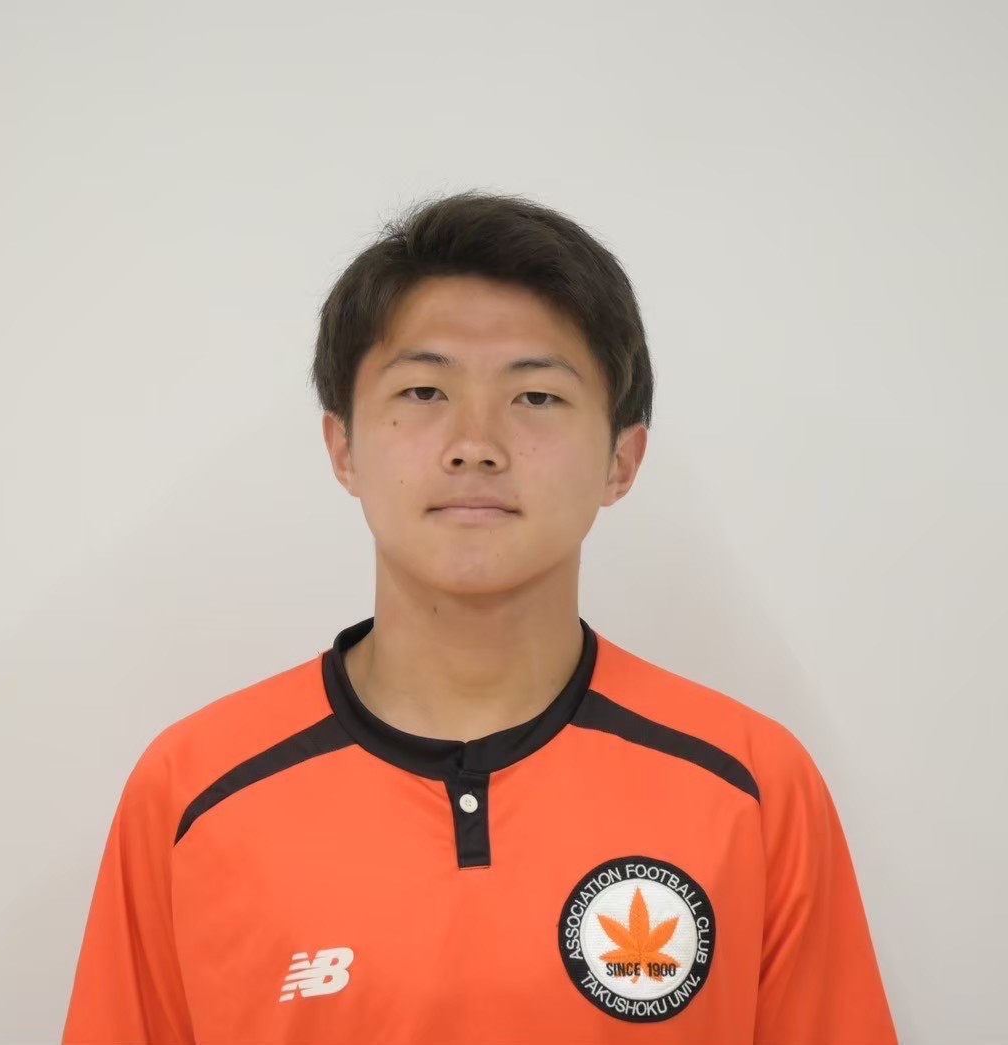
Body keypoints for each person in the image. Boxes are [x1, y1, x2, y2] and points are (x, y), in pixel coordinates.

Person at [61, 190, 897, 1044]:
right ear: (343, 447)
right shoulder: (193, 792)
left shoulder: (750, 788)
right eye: (423, 390)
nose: (475, 444)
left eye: (535, 397)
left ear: (621, 458)